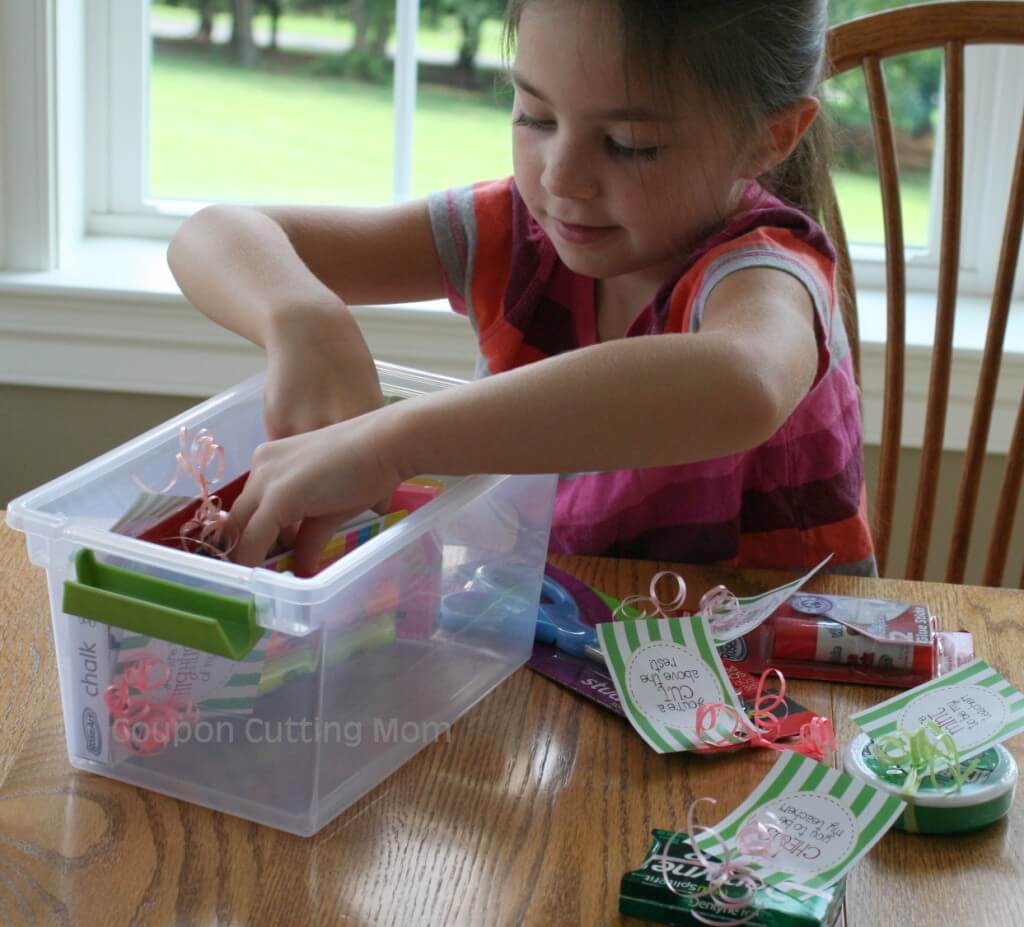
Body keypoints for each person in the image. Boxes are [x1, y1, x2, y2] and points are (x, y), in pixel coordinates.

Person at [167, 0, 876, 579]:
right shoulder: (511, 229)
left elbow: (742, 381)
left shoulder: (766, 269)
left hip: (772, 685)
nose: (561, 177)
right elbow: (213, 233)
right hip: (553, 643)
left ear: (772, 136)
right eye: (536, 115)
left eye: (629, 142)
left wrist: (390, 442)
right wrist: (301, 315)